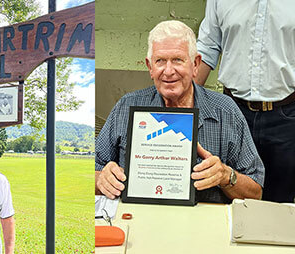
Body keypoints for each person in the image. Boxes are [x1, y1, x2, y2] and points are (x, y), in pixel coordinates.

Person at [95, 20, 264, 203]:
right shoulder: (126, 107)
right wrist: (101, 179)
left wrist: (226, 176)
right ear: (150, 67)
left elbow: (256, 192)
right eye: (160, 61)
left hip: (205, 222)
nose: (168, 71)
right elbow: (90, 171)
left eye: (177, 60)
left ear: (195, 65)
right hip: (139, 218)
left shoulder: (226, 111)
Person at [195, 0, 295, 203]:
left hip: (286, 117)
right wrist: (176, 105)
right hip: (232, 113)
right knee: (228, 194)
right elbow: (207, 48)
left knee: (279, 205)